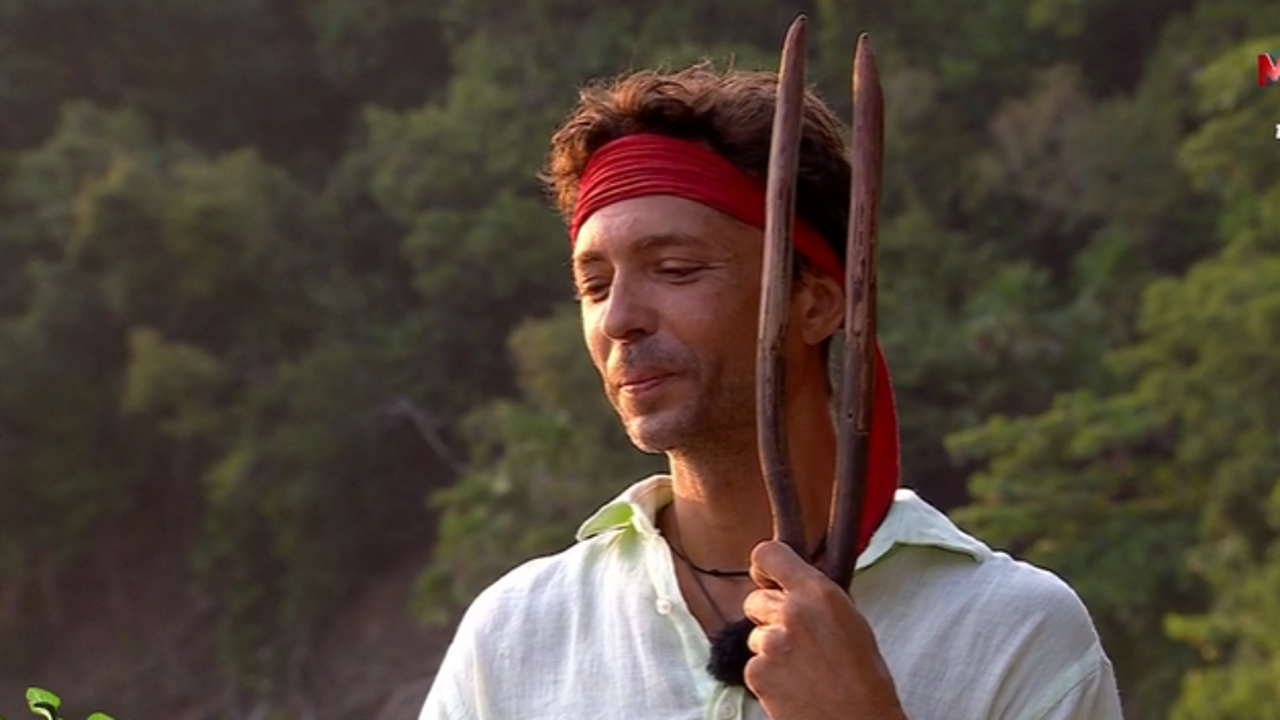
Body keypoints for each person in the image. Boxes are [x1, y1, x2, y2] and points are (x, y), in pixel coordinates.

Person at [418, 64, 1123, 720]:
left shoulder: (1011, 633)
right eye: (594, 285)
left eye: (675, 268)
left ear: (815, 303)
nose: (619, 318)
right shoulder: (518, 638)